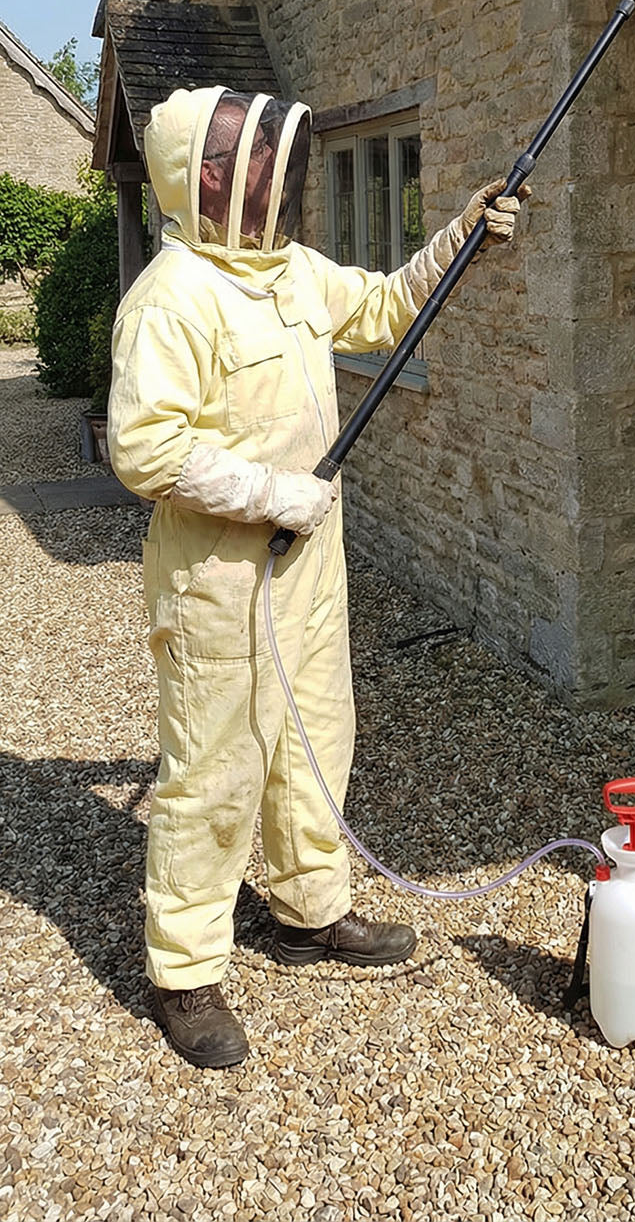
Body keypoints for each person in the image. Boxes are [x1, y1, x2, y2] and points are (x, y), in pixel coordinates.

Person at [108, 85, 527, 1068]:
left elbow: (380, 308)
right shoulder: (170, 299)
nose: (271, 180)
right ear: (203, 180)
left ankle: (310, 909)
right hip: (216, 582)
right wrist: (269, 493)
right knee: (214, 774)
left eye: (273, 164)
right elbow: (143, 449)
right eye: (251, 165)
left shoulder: (290, 272)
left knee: (313, 741)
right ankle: (185, 970)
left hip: (307, 574)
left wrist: (461, 235)